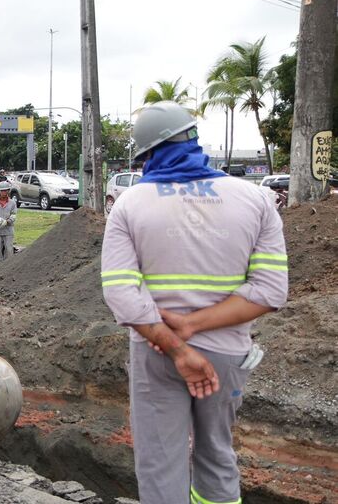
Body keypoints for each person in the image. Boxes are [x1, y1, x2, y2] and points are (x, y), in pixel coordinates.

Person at [101, 101, 288, 504]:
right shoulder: (256, 200)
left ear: (147, 153)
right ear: (194, 140)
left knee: (160, 463)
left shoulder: (130, 204)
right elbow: (271, 291)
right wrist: (196, 325)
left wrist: (177, 343)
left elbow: (121, 295)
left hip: (157, 353)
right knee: (217, 455)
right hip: (228, 355)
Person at [0, 181, 17, 263]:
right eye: (2, 191)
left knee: (9, 248)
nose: (4, 192)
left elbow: (14, 215)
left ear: (8, 191)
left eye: (6, 190)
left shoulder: (12, 203)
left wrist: (7, 221)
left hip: (8, 230)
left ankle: (8, 265)